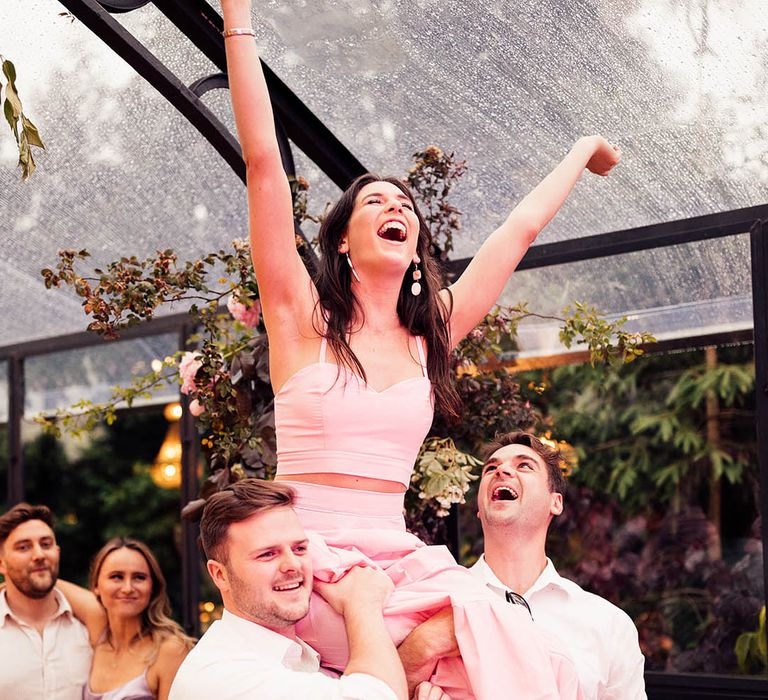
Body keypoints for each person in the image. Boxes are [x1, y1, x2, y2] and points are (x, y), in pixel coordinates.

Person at [220, 1, 620, 696]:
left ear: (415, 250)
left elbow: (518, 231)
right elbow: (261, 162)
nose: (395, 207)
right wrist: (235, 13)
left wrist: (583, 148)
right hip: (309, 563)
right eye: (373, 202)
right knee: (428, 648)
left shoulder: (430, 330)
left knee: (509, 642)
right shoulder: (299, 320)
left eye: (404, 204)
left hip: (399, 559)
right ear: (342, 239)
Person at [399, 432, 646, 699]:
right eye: (491, 468)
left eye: (524, 465)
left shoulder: (609, 625)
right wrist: (419, 648)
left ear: (556, 502)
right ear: (480, 508)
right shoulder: (430, 602)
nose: (501, 470)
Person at [169, 478, 447, 700]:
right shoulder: (220, 676)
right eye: (267, 554)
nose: (293, 565)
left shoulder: (308, 657)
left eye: (300, 548)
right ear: (221, 575)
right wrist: (362, 604)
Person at [58, 537, 193, 700]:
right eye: (116, 576)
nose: (128, 588)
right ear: (96, 586)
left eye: (139, 577)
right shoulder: (98, 634)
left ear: (153, 587)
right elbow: (49, 583)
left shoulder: (170, 650)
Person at [0, 502, 92, 700]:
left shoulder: (90, 630)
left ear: (57, 552)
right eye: (24, 547)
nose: (39, 555)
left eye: (46, 544)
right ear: (1, 563)